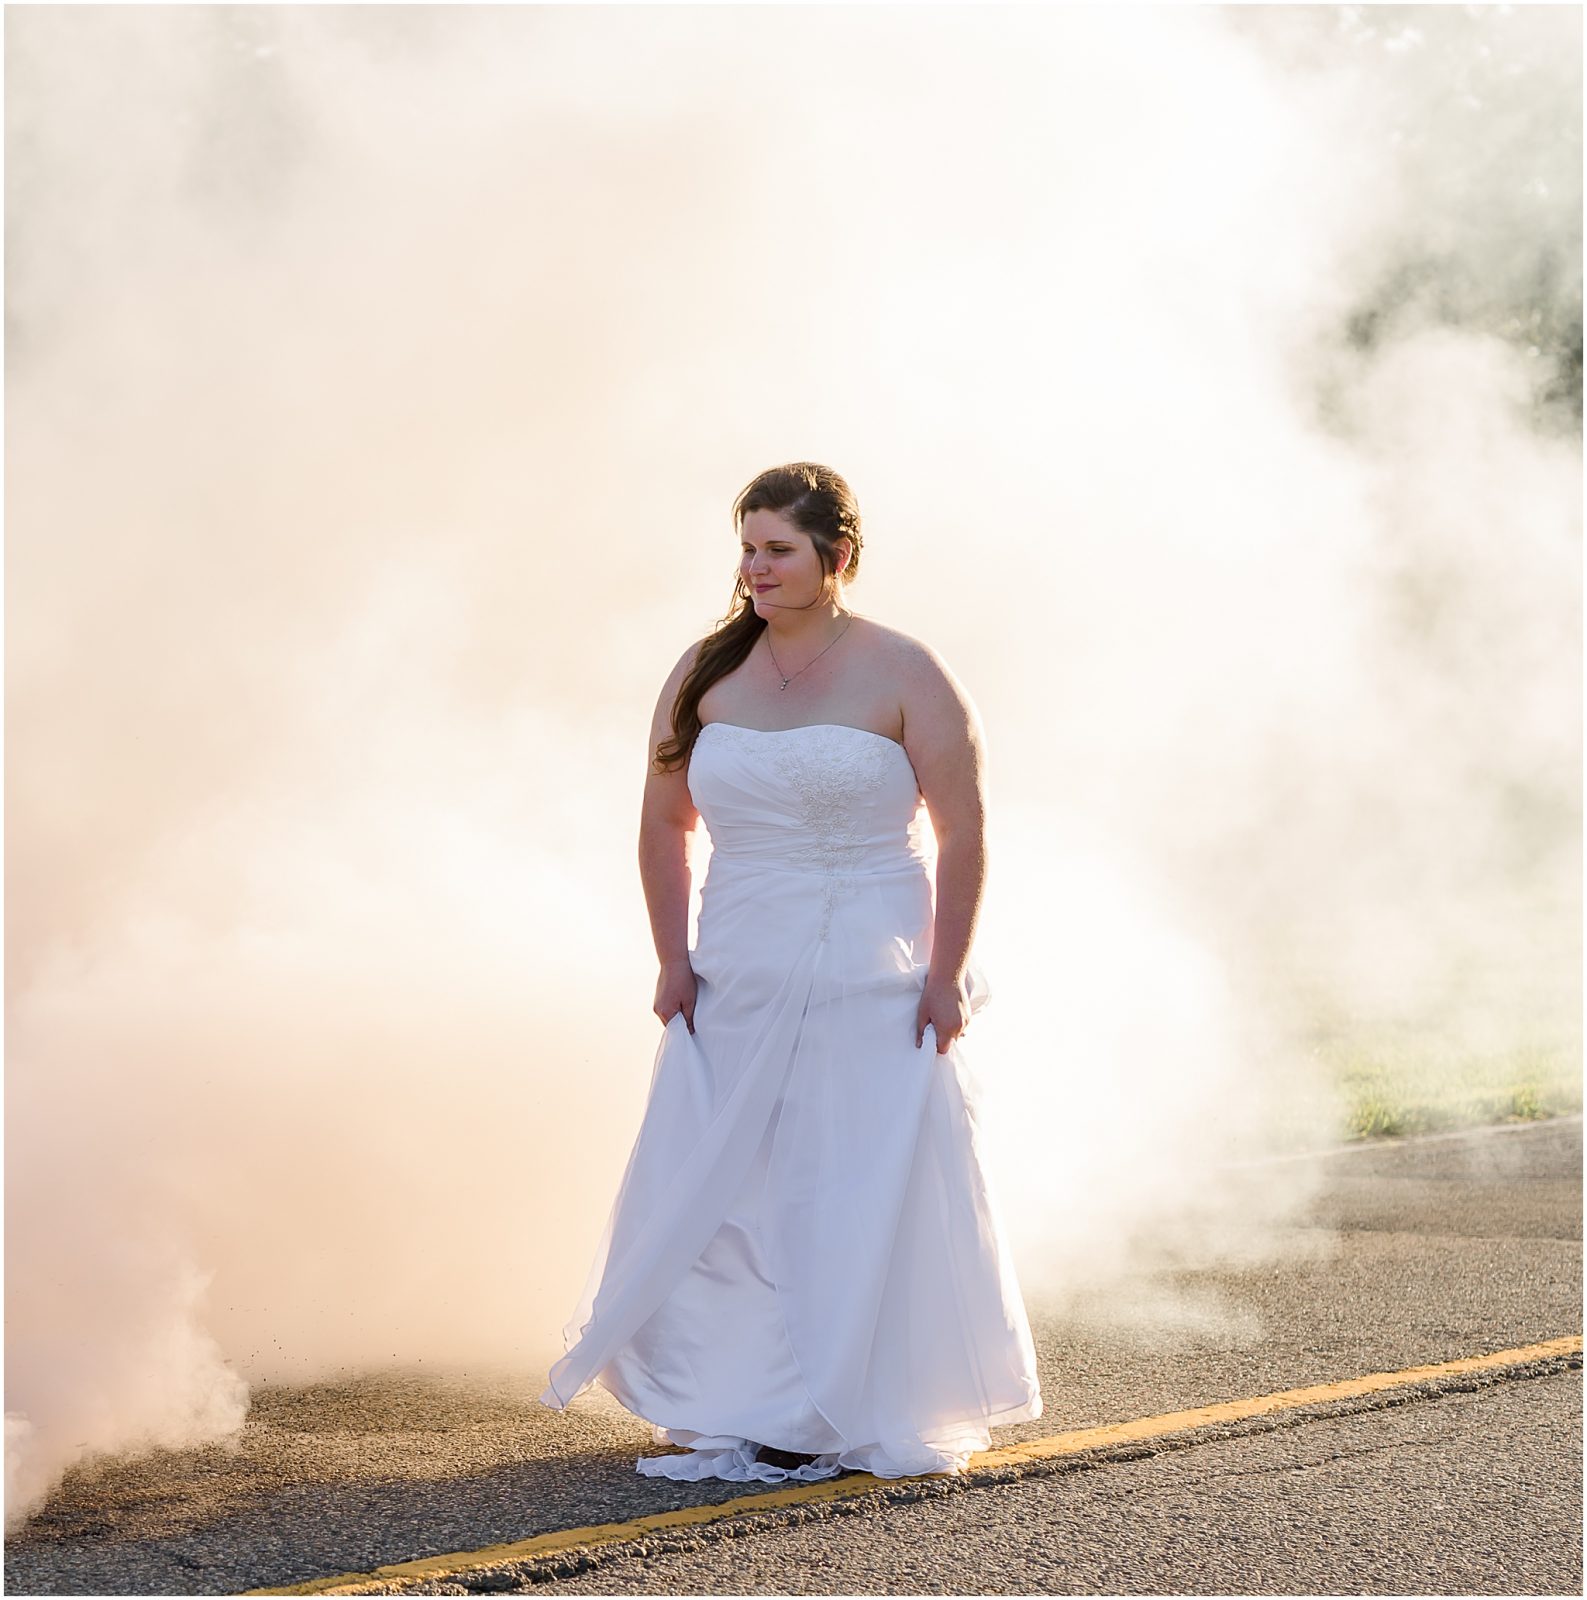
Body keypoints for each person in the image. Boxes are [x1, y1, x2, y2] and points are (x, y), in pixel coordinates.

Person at [538, 462, 1042, 1483]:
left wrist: (944, 974)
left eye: (778, 549)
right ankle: (731, 1389)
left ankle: (835, 1398)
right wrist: (671, 959)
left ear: (836, 558)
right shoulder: (704, 670)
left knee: (843, 1179)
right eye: (748, 547)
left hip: (873, 967)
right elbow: (663, 825)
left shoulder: (908, 671)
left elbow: (964, 830)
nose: (756, 568)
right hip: (739, 965)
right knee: (730, 1185)